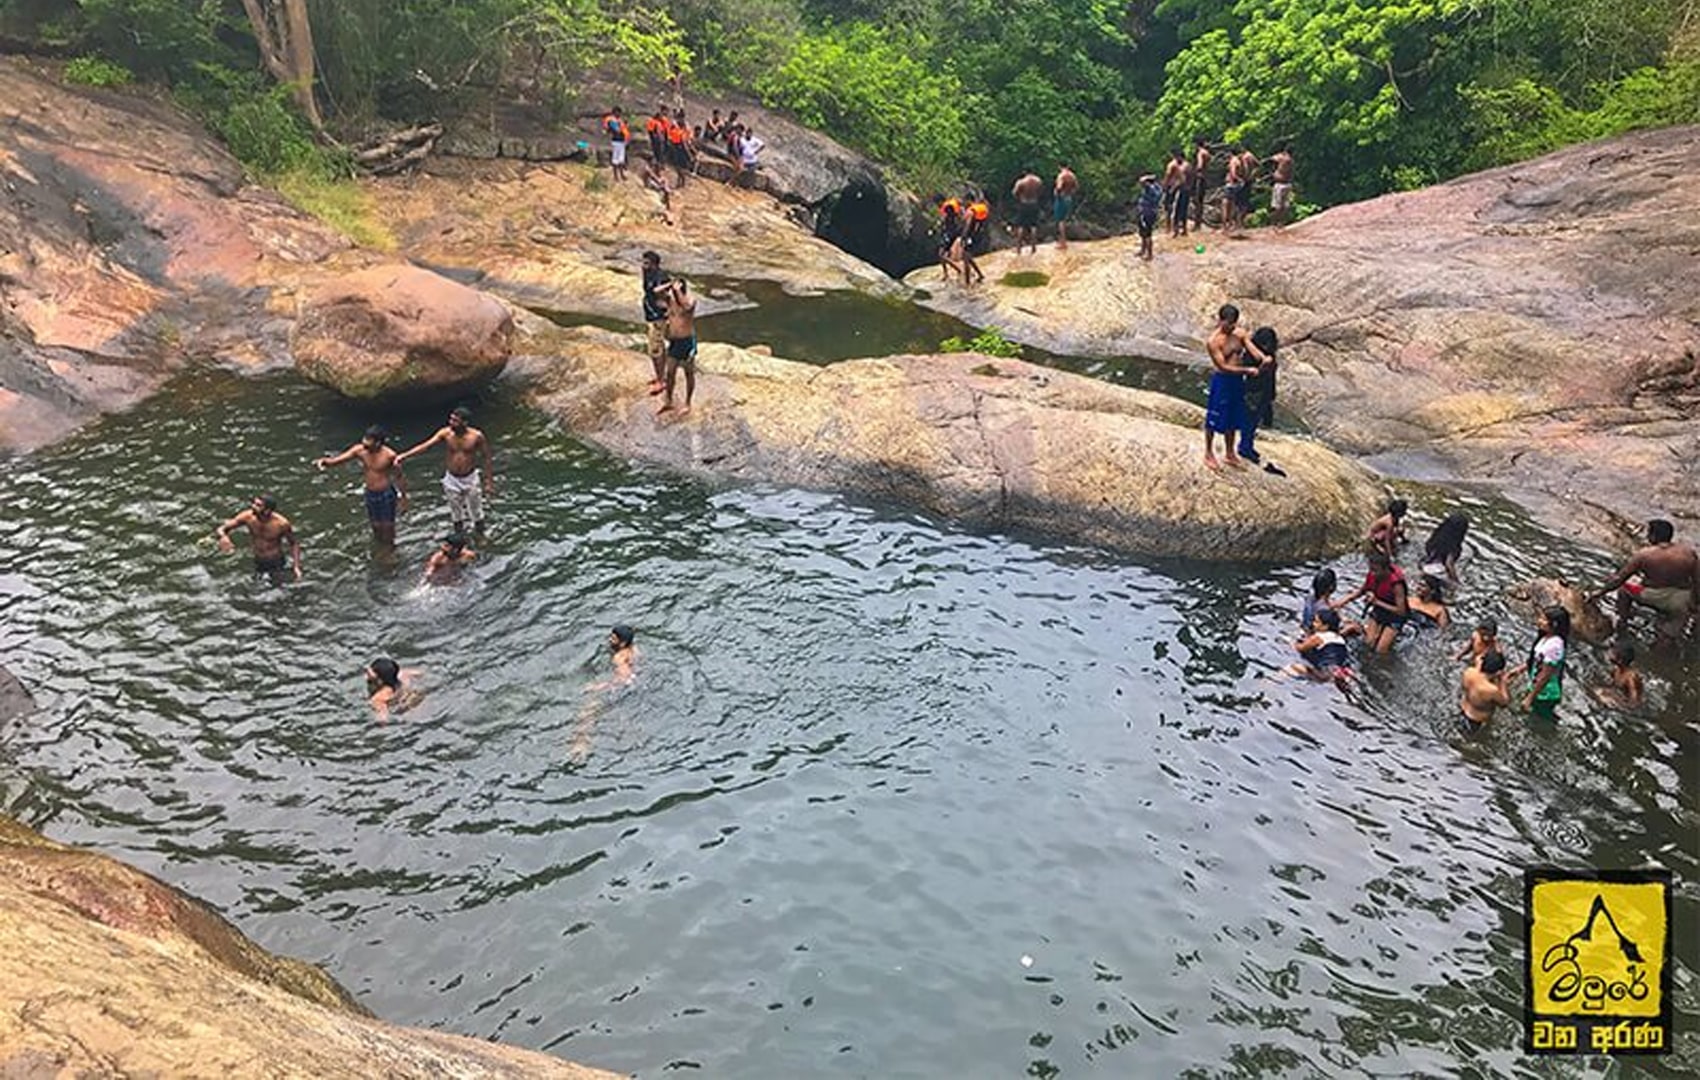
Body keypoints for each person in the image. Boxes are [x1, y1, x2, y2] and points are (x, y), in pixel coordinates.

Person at [1586, 519, 1699, 644]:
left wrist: (1600, 593)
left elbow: (1619, 579)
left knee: (1624, 588)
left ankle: (1623, 621)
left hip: (1651, 595)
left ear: (1654, 536)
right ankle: (1675, 639)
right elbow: (1697, 581)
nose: (1647, 536)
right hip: (1679, 600)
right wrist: (1694, 602)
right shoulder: (1689, 554)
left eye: (1648, 533)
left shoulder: (1644, 555)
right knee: (1672, 629)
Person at [397, 406, 494, 536]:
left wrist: (488, 481)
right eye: (451, 419)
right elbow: (425, 446)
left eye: (455, 421)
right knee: (456, 513)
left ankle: (480, 536)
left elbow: (486, 457)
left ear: (465, 423)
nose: (451, 423)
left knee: (476, 512)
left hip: (470, 478)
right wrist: (405, 455)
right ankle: (459, 539)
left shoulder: (476, 436)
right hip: (452, 479)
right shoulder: (445, 434)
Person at [1202, 303, 1271, 470]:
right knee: (1214, 417)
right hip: (1222, 380)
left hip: (1237, 382)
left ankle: (1229, 452)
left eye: (1233, 323)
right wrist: (1246, 370)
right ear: (1220, 320)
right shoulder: (1213, 341)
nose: (1231, 326)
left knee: (1233, 417)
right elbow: (1222, 366)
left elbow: (1252, 350)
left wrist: (1263, 358)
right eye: (1228, 323)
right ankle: (1208, 452)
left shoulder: (1239, 334)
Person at [314, 425, 408, 547]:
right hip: (370, 493)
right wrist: (325, 462)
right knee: (376, 525)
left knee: (388, 526)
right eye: (365, 438)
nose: (365, 442)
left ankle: (390, 548)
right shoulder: (360, 451)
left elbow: (399, 476)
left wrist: (404, 498)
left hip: (386, 494)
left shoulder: (389, 455)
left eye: (369, 440)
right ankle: (380, 546)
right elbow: (340, 459)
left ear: (378, 443)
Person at [216, 494, 302, 584]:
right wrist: (223, 537)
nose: (253, 506)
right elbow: (221, 528)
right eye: (254, 503)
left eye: (258, 505)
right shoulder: (247, 517)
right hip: (258, 560)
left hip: (275, 561)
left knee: (276, 589)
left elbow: (294, 544)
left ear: (267, 510)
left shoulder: (281, 524)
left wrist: (296, 567)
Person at [1333, 551, 1408, 654]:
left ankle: (1391, 635)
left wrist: (1377, 602)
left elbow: (1401, 611)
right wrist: (1343, 601)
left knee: (1380, 650)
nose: (1372, 573)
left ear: (1385, 569)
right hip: (1380, 609)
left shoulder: (1396, 585)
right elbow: (1362, 590)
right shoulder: (1372, 575)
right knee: (1369, 643)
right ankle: (1357, 627)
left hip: (1395, 616)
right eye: (1371, 569)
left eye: (1375, 570)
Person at [1516, 604, 1570, 719]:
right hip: (1539, 688)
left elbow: (1545, 676)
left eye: (1544, 619)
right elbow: (1537, 659)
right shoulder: (1546, 637)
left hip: (1546, 693)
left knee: (1541, 718)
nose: (1539, 621)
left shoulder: (1554, 646)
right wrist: (1519, 670)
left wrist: (1529, 698)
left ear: (1554, 624)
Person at [1238, 326, 1280, 470]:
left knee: (1255, 421)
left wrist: (1272, 395)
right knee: (1249, 421)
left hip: (1265, 391)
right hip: (1253, 391)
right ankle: (1245, 447)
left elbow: (1272, 376)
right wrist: (1264, 364)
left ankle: (1249, 445)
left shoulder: (1270, 354)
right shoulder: (1251, 355)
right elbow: (1252, 374)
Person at [658, 278, 697, 416]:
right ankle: (668, 401)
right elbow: (656, 292)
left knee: (688, 373)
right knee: (670, 372)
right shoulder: (670, 301)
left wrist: (678, 290)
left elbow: (686, 307)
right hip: (674, 342)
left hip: (686, 342)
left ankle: (688, 403)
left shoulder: (690, 300)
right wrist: (669, 285)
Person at [1287, 608, 1353, 684]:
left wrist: (1290, 641)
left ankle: (1273, 682)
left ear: (1325, 626)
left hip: (1325, 674)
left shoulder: (1319, 637)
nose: (1313, 623)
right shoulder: (1340, 639)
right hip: (1341, 670)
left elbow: (1299, 648)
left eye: (1316, 622)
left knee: (1292, 668)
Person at [640, 251, 671, 394]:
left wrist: (666, 308)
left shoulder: (660, 276)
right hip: (651, 315)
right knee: (660, 348)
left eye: (646, 263)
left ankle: (661, 382)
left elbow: (665, 294)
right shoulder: (648, 274)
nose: (643, 266)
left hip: (658, 317)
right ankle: (661, 376)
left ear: (654, 264)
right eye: (643, 262)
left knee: (655, 350)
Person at [1459, 650, 1511, 734]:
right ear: (1498, 672)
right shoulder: (1491, 690)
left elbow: (1478, 658)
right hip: (1476, 722)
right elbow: (1505, 703)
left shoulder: (1469, 672)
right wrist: (1503, 682)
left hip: (1463, 711)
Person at [1421, 513, 1470, 592]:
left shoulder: (1436, 538)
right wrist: (1456, 582)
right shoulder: (1453, 546)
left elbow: (1428, 551)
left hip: (1425, 568)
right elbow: (1448, 564)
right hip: (1437, 574)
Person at [1595, 637, 1645, 708]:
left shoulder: (1631, 677)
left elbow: (1634, 703)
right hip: (1621, 694)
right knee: (1598, 691)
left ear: (1620, 660)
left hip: (1627, 702)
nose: (1609, 652)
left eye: (1613, 652)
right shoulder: (1616, 670)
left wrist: (1616, 703)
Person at [587, 625, 638, 692]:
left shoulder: (618, 658)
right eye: (611, 636)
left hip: (624, 686)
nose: (610, 639)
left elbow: (623, 679)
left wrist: (598, 687)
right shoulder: (634, 649)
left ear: (623, 643)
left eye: (614, 639)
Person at [1012, 169, 1043, 255]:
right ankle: (1033, 248)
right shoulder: (1038, 181)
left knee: (1021, 226)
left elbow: (1014, 193)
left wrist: (1020, 196)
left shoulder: (1021, 182)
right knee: (1033, 226)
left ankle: (1018, 249)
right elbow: (1040, 192)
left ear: (1025, 172)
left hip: (1024, 204)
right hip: (1034, 203)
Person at [935, 193, 964, 282]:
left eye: (937, 203)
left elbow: (947, 220)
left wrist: (940, 225)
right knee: (941, 254)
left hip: (950, 234)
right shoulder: (952, 208)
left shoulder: (949, 209)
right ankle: (946, 274)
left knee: (941, 254)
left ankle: (958, 270)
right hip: (951, 233)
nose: (937, 206)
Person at [962, 193, 990, 285]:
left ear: (968, 200)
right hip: (980, 234)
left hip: (971, 236)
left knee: (965, 257)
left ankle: (967, 282)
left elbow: (968, 225)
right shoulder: (981, 208)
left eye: (965, 201)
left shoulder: (971, 211)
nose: (964, 203)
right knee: (968, 256)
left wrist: (964, 237)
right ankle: (980, 275)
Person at [1136, 174, 1163, 261]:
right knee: (1144, 233)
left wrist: (1147, 177)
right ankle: (1143, 250)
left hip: (1146, 212)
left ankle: (1149, 254)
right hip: (1151, 212)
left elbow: (1141, 180)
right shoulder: (1157, 188)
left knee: (1147, 234)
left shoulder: (1149, 188)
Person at [641, 157, 675, 224]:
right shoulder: (647, 168)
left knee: (665, 185)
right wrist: (660, 182)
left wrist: (663, 182)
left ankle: (667, 210)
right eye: (653, 163)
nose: (654, 164)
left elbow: (659, 178)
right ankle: (667, 213)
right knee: (664, 188)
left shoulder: (656, 170)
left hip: (657, 185)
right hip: (650, 184)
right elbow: (653, 177)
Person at [1269, 144, 1295, 227]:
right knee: (1284, 205)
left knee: (1278, 205)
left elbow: (1272, 158)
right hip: (1287, 184)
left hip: (1280, 184)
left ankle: (1275, 223)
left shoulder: (1283, 158)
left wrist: (1280, 153)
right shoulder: (1291, 160)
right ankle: (1281, 222)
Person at [1053, 166, 1079, 249]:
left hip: (1062, 197)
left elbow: (1059, 187)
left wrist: (1056, 193)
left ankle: (1063, 242)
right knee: (1064, 219)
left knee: (1060, 221)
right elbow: (1076, 187)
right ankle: (1063, 241)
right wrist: (1070, 192)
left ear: (1060, 166)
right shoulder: (1072, 176)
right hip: (1069, 197)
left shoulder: (1061, 176)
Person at [1220, 147, 1245, 234]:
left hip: (1231, 185)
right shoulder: (1238, 161)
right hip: (1235, 185)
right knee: (1232, 205)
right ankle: (1230, 225)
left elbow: (1233, 174)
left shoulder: (1233, 161)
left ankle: (1225, 227)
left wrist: (1239, 179)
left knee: (1225, 206)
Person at [1235, 146, 1260, 227]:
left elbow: (1257, 165)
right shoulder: (1243, 156)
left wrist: (1251, 175)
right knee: (1240, 201)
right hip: (1243, 180)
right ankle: (1239, 222)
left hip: (1246, 181)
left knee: (1243, 201)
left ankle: (1240, 222)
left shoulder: (1248, 155)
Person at [1190, 137, 1211, 231]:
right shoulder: (1207, 153)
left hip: (1199, 178)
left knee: (1197, 201)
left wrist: (1193, 173)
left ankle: (1196, 224)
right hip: (1205, 177)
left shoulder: (1201, 153)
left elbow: (1200, 166)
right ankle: (1198, 222)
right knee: (1200, 201)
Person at [604, 106, 629, 182]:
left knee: (621, 159)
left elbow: (624, 130)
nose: (619, 114)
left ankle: (621, 174)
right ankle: (616, 176)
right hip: (616, 141)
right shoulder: (612, 121)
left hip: (622, 141)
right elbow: (617, 130)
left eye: (620, 112)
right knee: (615, 159)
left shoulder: (619, 121)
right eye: (618, 112)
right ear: (614, 112)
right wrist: (623, 125)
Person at [666, 108, 689, 186]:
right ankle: (680, 179)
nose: (681, 119)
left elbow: (685, 140)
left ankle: (682, 180)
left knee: (680, 166)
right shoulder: (674, 125)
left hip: (680, 146)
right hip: (675, 146)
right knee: (677, 165)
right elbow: (669, 135)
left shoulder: (684, 125)